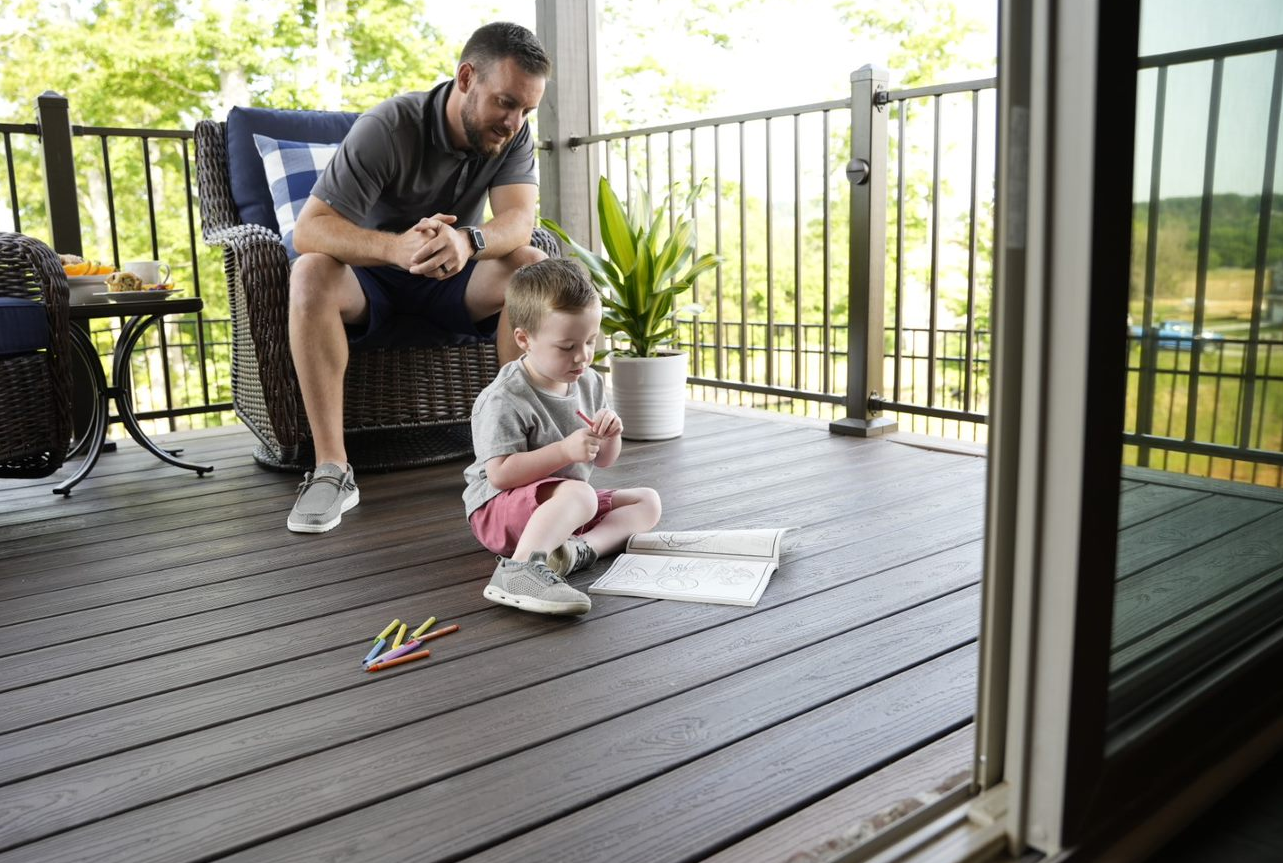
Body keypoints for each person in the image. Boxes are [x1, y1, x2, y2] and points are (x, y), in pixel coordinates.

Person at [285, 22, 551, 533]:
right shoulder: (388, 127)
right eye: (505, 103)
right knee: (310, 272)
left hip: (454, 275)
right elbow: (308, 229)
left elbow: (520, 221)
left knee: (530, 268)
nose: (514, 122)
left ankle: (513, 460)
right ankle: (331, 470)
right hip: (374, 278)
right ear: (467, 77)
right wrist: (395, 247)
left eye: (526, 110)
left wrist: (467, 241)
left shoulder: (513, 135)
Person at [463, 259, 663, 615]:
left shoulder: (587, 381)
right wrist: (565, 450)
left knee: (647, 501)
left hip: (566, 505)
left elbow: (604, 460)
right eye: (567, 346)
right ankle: (519, 569)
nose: (583, 356)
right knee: (581, 494)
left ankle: (574, 552)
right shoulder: (505, 397)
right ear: (524, 339)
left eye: (590, 341)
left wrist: (610, 435)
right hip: (498, 509)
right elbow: (500, 474)